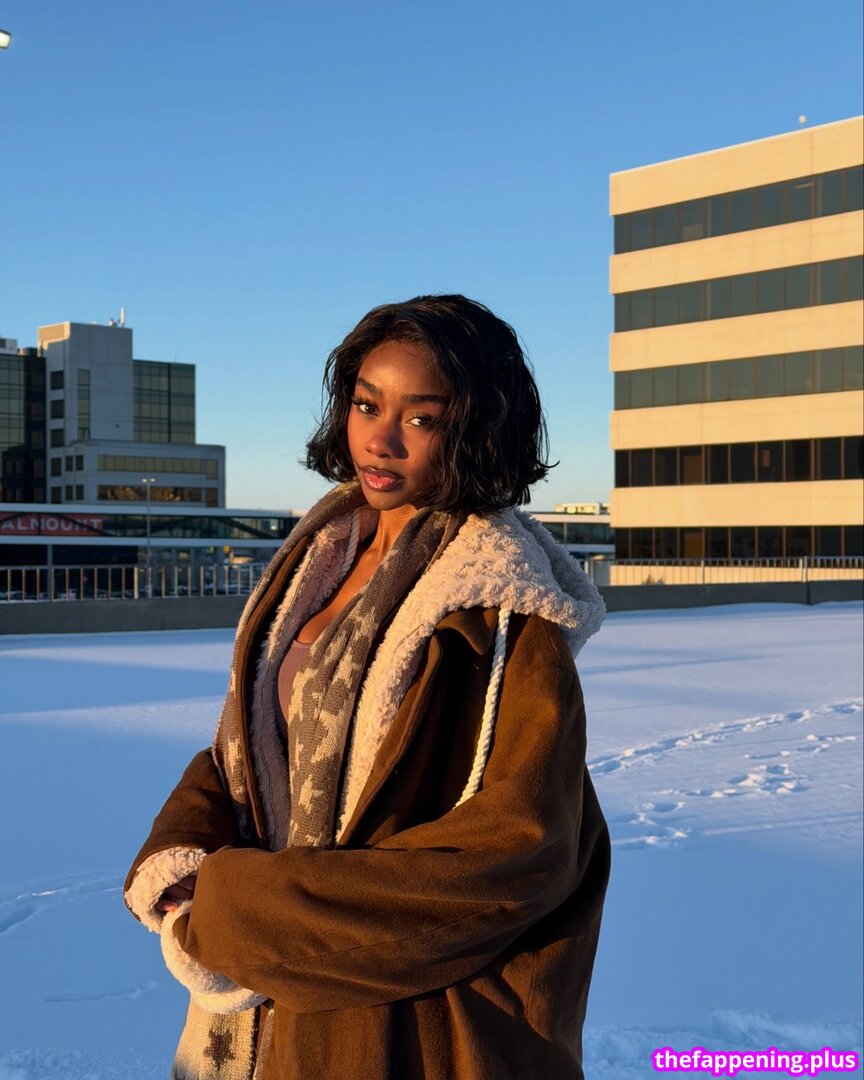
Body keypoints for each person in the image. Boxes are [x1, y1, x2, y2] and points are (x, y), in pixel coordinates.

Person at [124, 294, 610, 1080]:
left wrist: (243, 912)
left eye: (421, 417)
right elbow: (250, 746)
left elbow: (520, 852)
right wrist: (180, 861)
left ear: (477, 428)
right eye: (365, 404)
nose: (380, 439)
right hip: (258, 1006)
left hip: (401, 1018)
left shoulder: (499, 616)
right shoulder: (319, 558)